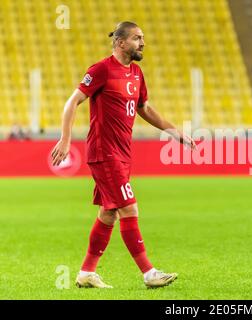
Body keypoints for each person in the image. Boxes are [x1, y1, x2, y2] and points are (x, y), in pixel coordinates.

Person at [51, 21, 196, 289]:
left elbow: (144, 108)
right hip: (104, 152)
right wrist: (65, 138)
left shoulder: (137, 72)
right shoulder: (101, 70)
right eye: (137, 38)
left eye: (142, 38)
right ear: (120, 42)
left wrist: (173, 130)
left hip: (123, 152)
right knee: (129, 207)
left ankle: (86, 272)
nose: (142, 43)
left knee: (109, 212)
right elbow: (72, 102)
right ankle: (149, 272)